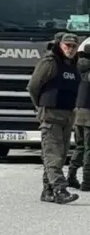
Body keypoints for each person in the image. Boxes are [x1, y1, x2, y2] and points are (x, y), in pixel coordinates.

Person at [28, 32, 81, 205]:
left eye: (73, 46)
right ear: (60, 45)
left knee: (61, 154)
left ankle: (48, 190)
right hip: (50, 114)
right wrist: (40, 105)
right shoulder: (50, 62)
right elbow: (33, 86)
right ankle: (60, 189)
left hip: (67, 115)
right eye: (67, 46)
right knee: (53, 155)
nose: (70, 49)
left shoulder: (74, 65)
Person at [69, 39, 90, 192]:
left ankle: (71, 175)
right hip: (89, 114)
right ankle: (87, 181)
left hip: (78, 112)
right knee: (89, 149)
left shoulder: (77, 68)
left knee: (80, 146)